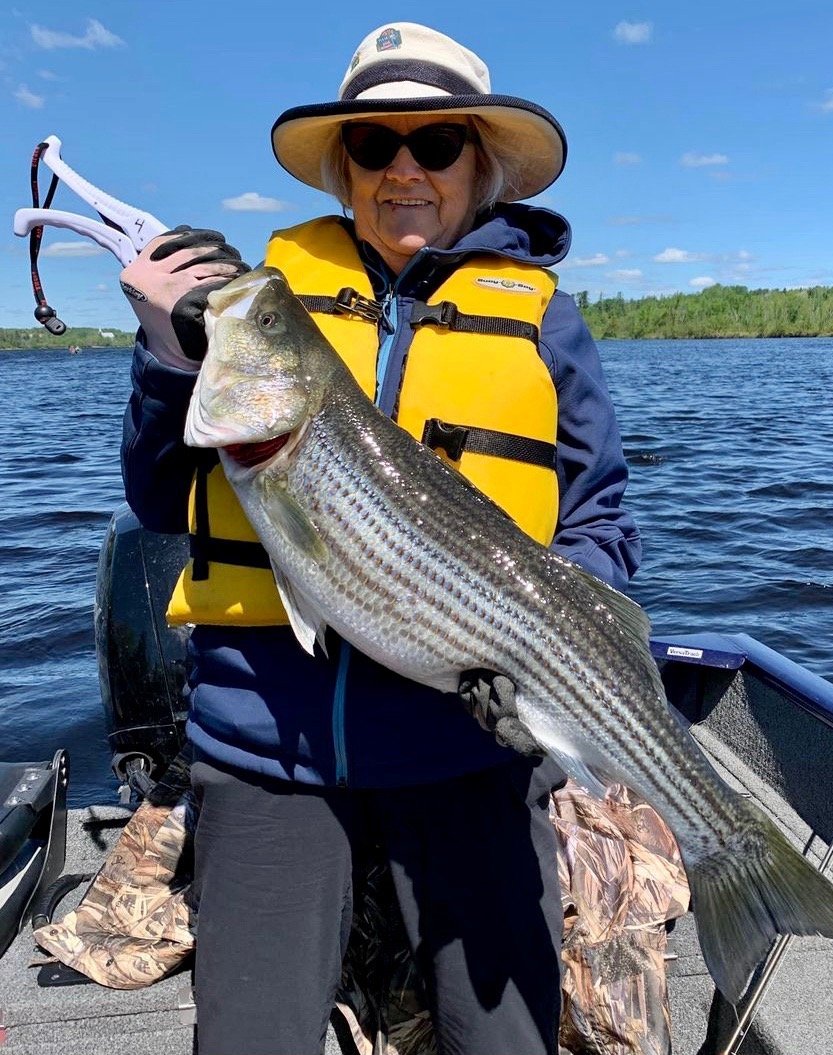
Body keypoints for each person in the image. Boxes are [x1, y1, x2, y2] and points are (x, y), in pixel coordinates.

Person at [119, 22, 642, 1055]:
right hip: (266, 744)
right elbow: (151, 496)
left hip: (468, 749)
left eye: (437, 143)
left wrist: (533, 651)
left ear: (479, 167)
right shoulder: (264, 306)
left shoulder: (542, 318)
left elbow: (597, 515)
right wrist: (165, 350)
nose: (404, 168)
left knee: (506, 1041)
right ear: (344, 169)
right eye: (373, 145)